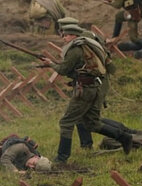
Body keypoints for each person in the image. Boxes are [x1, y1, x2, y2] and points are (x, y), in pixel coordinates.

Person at [39, 23, 133, 163]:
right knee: (92, 124)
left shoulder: (75, 50)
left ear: (74, 36)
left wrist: (50, 64)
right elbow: (76, 67)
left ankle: (62, 157)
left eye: (67, 35)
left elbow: (64, 70)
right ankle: (124, 137)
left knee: (66, 122)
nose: (64, 38)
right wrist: (53, 63)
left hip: (84, 91)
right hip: (94, 88)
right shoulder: (86, 46)